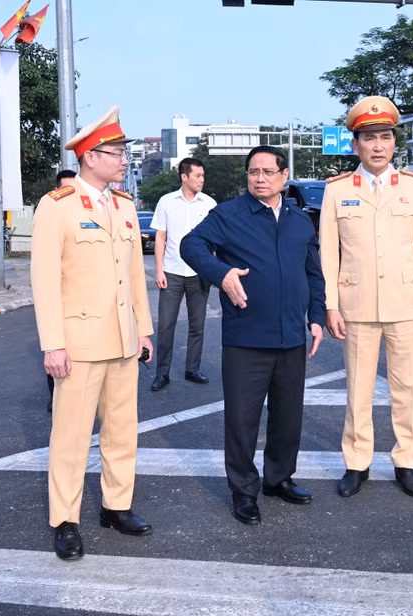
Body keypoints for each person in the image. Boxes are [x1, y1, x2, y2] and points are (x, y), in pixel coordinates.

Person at [31, 106, 154, 561]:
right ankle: (64, 521)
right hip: (79, 344)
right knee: (71, 436)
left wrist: (144, 331)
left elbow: (134, 276)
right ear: (89, 157)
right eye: (116, 153)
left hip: (123, 339)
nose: (124, 160)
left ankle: (116, 506)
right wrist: (53, 344)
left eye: (124, 152)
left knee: (122, 430)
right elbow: (45, 281)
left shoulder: (124, 206)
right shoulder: (57, 206)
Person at [181, 145, 325, 525]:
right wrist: (221, 273)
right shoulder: (229, 215)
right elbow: (190, 245)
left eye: (267, 171)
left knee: (288, 416)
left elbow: (313, 272)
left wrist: (317, 317)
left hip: (292, 336)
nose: (259, 178)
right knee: (242, 420)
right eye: (253, 172)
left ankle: (279, 478)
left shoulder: (300, 221)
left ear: (284, 176)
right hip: (246, 337)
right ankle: (244, 491)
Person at [320, 96, 413, 499]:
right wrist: (331, 305)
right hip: (356, 306)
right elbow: (328, 254)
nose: (378, 146)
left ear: (393, 143)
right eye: (369, 138)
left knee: (407, 389)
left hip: (406, 305)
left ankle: (407, 461)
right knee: (358, 390)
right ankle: (357, 463)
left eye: (385, 137)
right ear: (355, 145)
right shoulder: (337, 190)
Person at [150, 157, 216, 392]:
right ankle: (162, 374)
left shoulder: (209, 203)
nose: (202, 179)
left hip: (199, 273)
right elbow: (160, 237)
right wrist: (159, 270)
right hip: (172, 272)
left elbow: (214, 240)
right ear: (184, 177)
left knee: (197, 325)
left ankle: (192, 369)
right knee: (166, 325)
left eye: (203, 175)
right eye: (198, 175)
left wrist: (213, 268)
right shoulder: (166, 201)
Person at [43, 169, 78, 415]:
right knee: (55, 349)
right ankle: (55, 396)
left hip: (81, 301)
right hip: (58, 299)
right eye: (66, 188)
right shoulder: (50, 213)